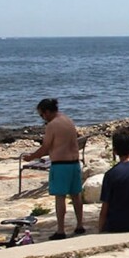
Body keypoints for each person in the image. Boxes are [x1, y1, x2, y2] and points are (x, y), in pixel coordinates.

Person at [21, 98, 85, 239]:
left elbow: (45, 148)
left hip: (61, 165)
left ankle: (61, 230)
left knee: (60, 197)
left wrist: (31, 157)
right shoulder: (68, 120)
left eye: (41, 115)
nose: (42, 118)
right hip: (74, 163)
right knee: (76, 195)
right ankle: (80, 225)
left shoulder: (52, 125)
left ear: (47, 112)